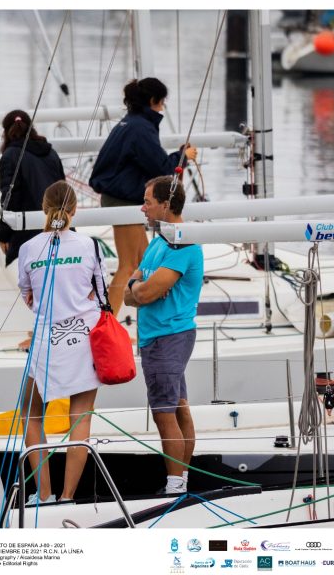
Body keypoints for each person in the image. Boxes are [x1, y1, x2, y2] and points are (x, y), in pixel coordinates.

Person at [17, 181, 105, 505]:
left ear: (44, 207)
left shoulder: (28, 248)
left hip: (45, 341)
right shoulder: (89, 245)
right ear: (75, 209)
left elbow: (28, 296)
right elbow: (101, 293)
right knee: (80, 415)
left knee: (31, 413)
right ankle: (67, 496)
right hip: (83, 339)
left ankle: (43, 494)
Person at [89, 77, 197, 316]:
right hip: (123, 201)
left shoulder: (130, 123)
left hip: (118, 197)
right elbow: (160, 169)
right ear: (153, 101)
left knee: (142, 263)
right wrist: (184, 156)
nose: (162, 108)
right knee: (128, 266)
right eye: (162, 103)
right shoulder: (141, 128)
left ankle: (132, 320)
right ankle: (107, 325)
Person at [123, 175, 203, 495]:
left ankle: (175, 486)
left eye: (148, 202)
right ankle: (180, 480)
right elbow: (133, 290)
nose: (143, 208)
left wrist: (138, 289)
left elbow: (145, 292)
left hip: (168, 336)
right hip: (161, 335)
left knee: (163, 411)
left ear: (166, 205)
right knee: (178, 406)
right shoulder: (159, 242)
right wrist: (137, 288)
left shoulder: (183, 244)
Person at [0, 110, 65, 268]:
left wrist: (4, 234)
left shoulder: (9, 156)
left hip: (28, 234)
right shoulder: (51, 153)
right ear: (31, 128)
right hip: (60, 228)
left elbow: (10, 198)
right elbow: (63, 190)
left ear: (5, 132)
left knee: (31, 287)